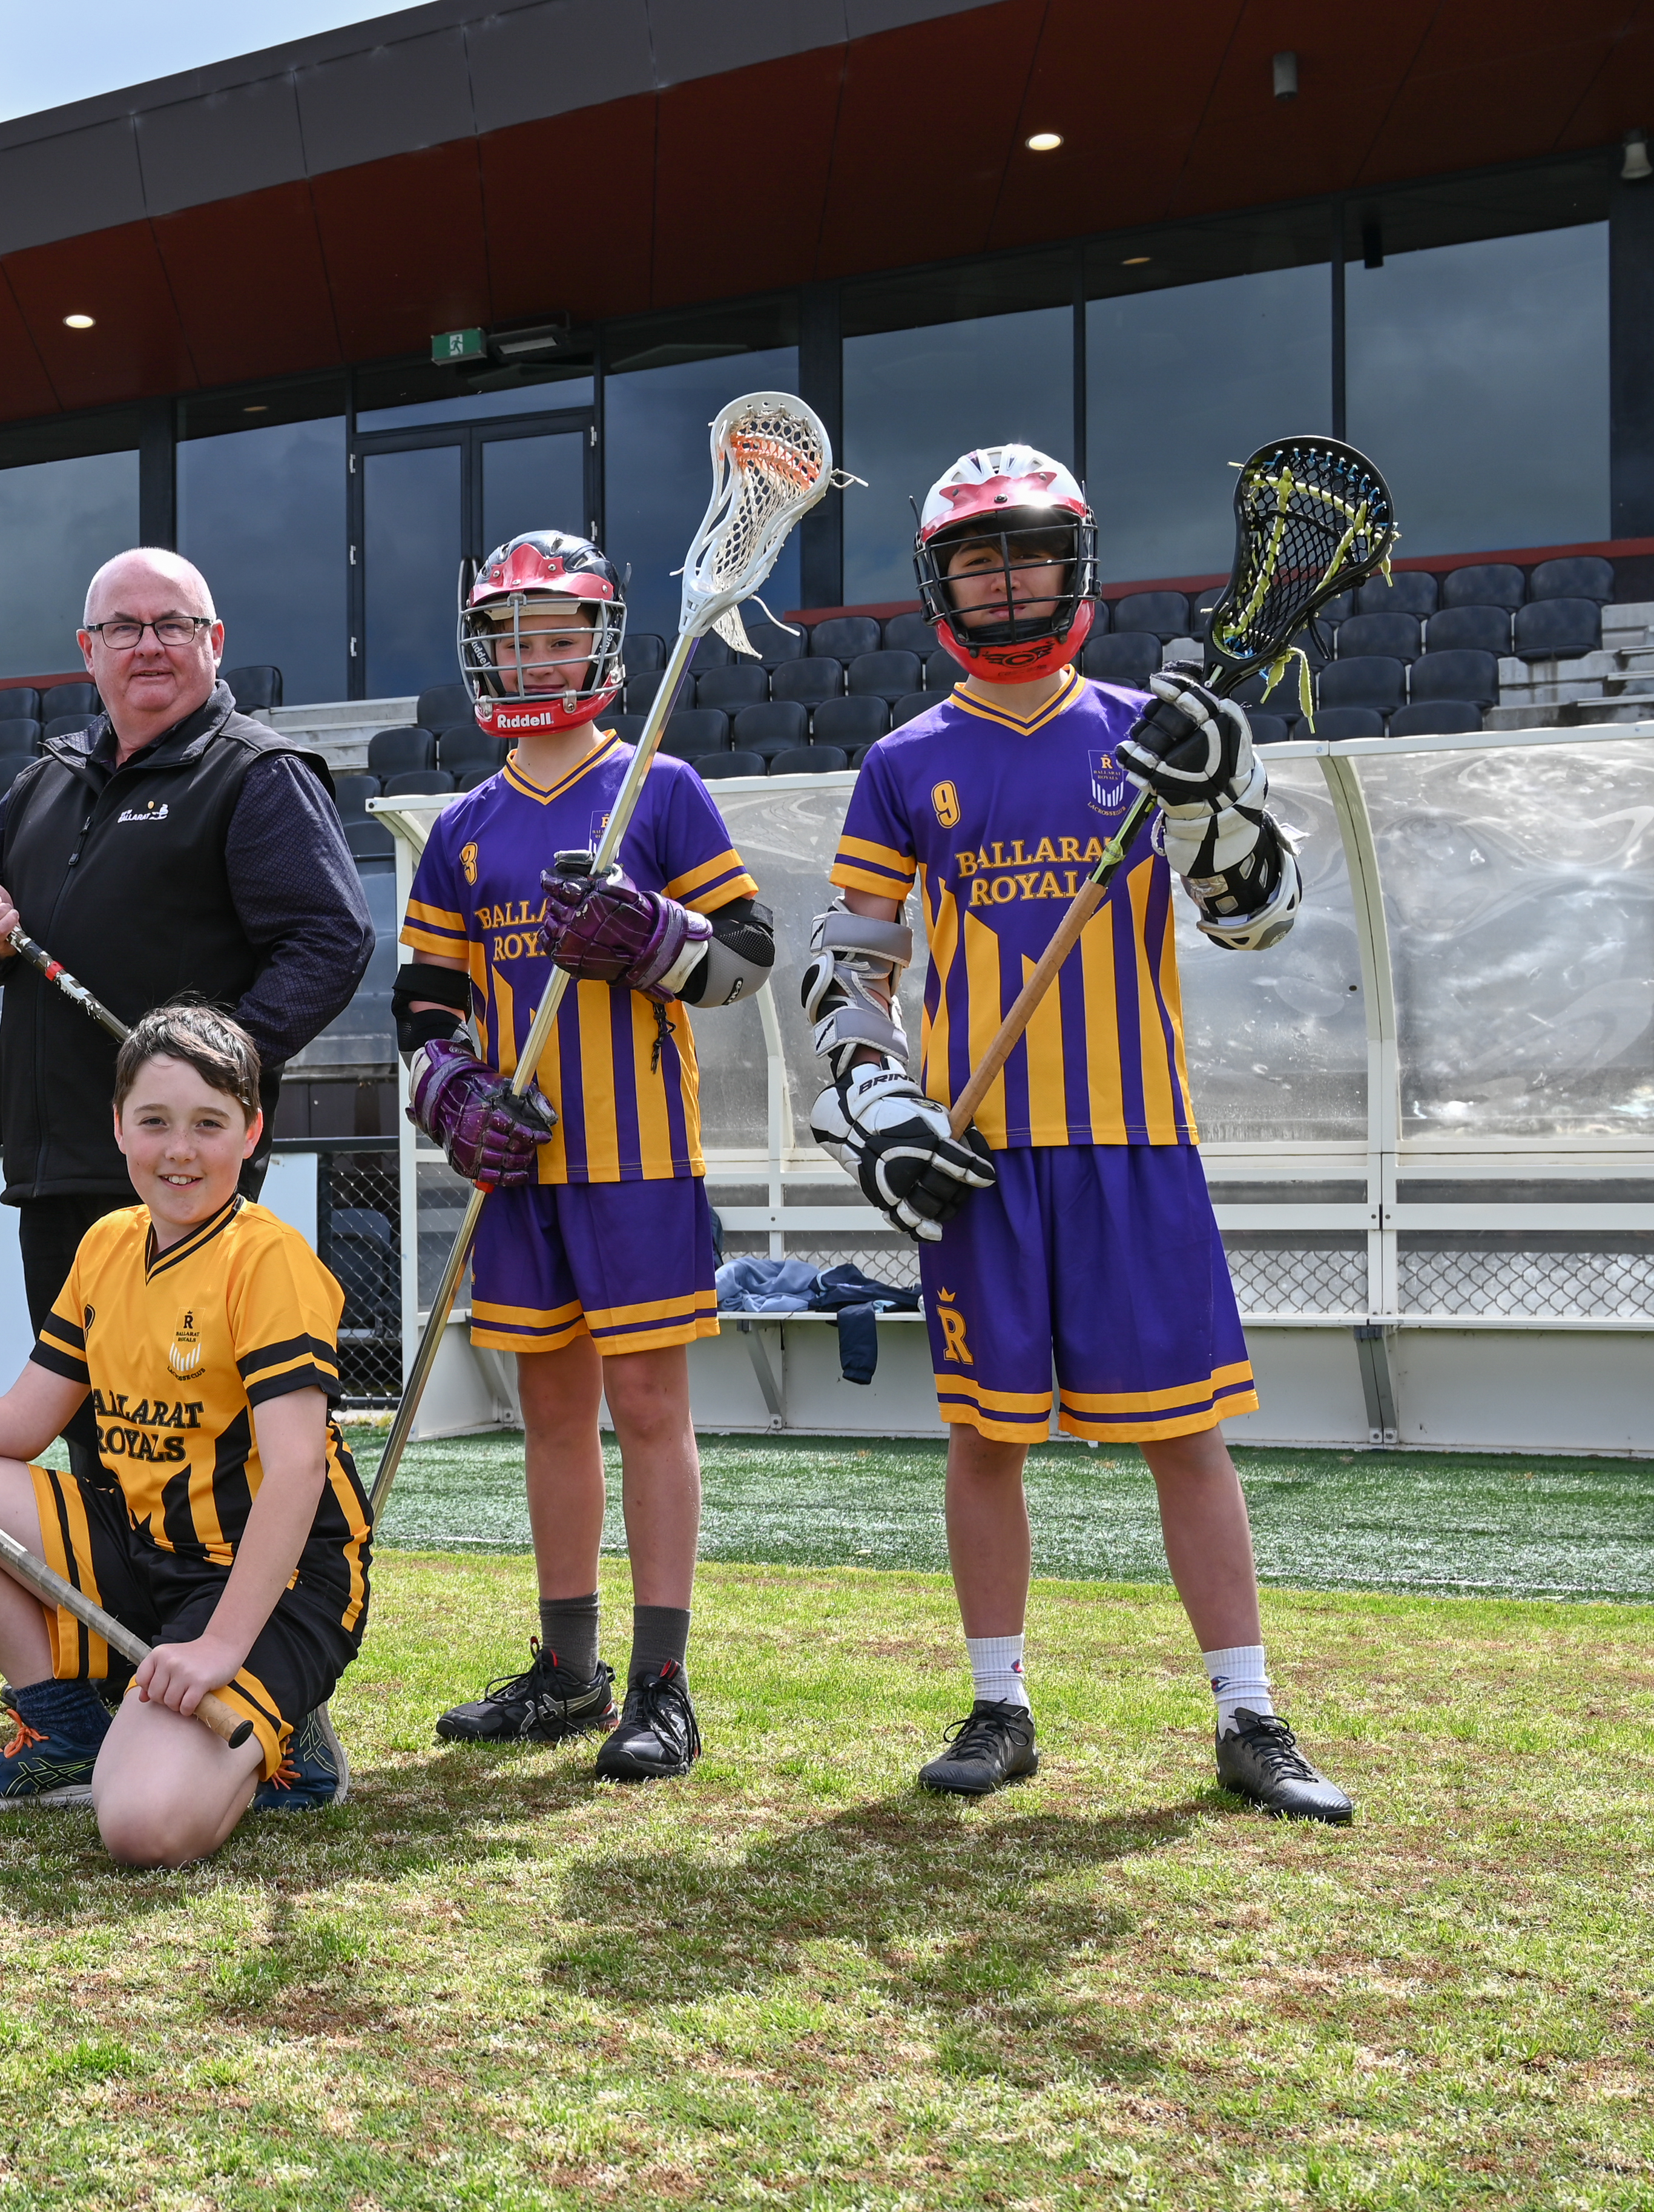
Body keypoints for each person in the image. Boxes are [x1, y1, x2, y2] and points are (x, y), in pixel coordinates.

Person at [802, 444, 1353, 1822]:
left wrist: (1214, 800)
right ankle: (999, 1702)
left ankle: (1250, 1713)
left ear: (1073, 562)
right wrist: (881, 1112)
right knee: (986, 1437)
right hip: (982, 1152)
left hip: (1134, 1142)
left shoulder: (1158, 726)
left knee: (1192, 1438)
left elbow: (1258, 917)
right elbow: (852, 968)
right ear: (941, 582)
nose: (1005, 581)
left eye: (1027, 552)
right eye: (978, 559)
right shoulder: (901, 764)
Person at [0, 1002, 372, 1865]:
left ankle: (287, 1745)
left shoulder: (267, 1261)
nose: (179, 1150)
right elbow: (21, 1424)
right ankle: (64, 1727)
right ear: (118, 1127)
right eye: (155, 1121)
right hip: (142, 1550)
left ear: (250, 1132)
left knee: (141, 1829)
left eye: (209, 1124)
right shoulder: (105, 1244)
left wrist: (217, 1648)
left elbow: (292, 1474)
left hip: (272, 1583)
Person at [392, 531, 779, 1784]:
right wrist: (451, 1094)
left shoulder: (659, 791)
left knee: (650, 1411)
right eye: (510, 633)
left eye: (555, 630)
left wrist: (652, 937)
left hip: (638, 1158)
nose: (532, 652)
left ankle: (663, 1683)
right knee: (549, 1414)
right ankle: (569, 1670)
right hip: (519, 1166)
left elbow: (745, 957)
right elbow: (424, 1007)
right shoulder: (460, 826)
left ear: (600, 642)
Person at [0, 547, 372, 1336]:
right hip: (52, 1169)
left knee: (183, 1424)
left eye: (172, 625)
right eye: (124, 627)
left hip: (178, 1169)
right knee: (89, 1428)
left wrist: (209, 1071)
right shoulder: (43, 783)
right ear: (88, 649)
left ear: (213, 640)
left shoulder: (256, 774)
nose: (148, 645)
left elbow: (328, 942)